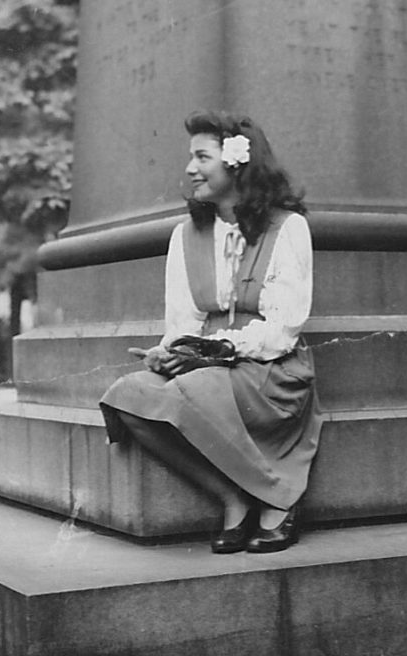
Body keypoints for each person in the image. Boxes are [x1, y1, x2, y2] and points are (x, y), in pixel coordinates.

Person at [100, 109, 321, 554]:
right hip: (204, 368)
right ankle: (232, 496)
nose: (190, 169)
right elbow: (183, 321)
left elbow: (282, 329)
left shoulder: (288, 228)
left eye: (202, 157)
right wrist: (170, 351)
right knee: (128, 395)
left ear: (237, 164)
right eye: (191, 157)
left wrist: (213, 350)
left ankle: (278, 498)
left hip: (269, 369)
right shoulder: (185, 236)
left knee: (195, 387)